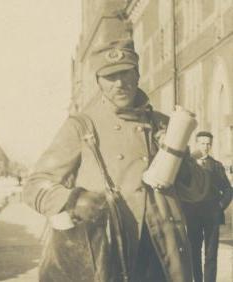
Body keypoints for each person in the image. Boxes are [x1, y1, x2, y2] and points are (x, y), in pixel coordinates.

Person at [23, 39, 212, 282]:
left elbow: (198, 191)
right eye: (110, 77)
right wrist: (74, 200)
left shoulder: (164, 124)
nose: (120, 84)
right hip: (108, 252)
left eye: (126, 73)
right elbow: (34, 185)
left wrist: (179, 157)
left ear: (138, 74)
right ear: (98, 82)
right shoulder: (81, 126)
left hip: (163, 255)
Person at [183, 131, 233, 282]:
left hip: (212, 215)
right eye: (202, 143)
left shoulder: (216, 165)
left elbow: (228, 189)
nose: (205, 147)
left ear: (211, 146)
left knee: (211, 254)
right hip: (193, 215)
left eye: (208, 144)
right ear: (196, 144)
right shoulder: (187, 164)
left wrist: (220, 206)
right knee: (194, 251)